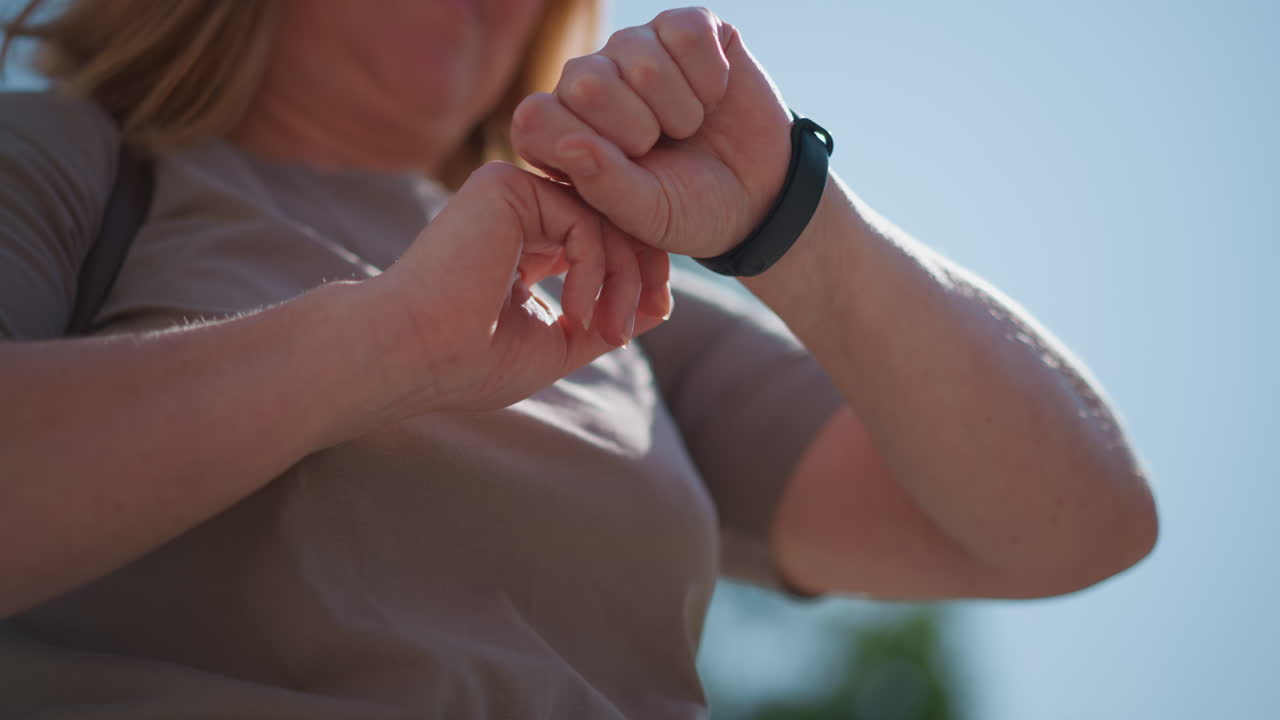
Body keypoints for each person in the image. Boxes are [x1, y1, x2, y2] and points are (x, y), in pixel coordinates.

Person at [0, 1, 1158, 717]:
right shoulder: (67, 159)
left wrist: (792, 219)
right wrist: (389, 342)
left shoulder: (601, 297)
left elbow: (1082, 523)